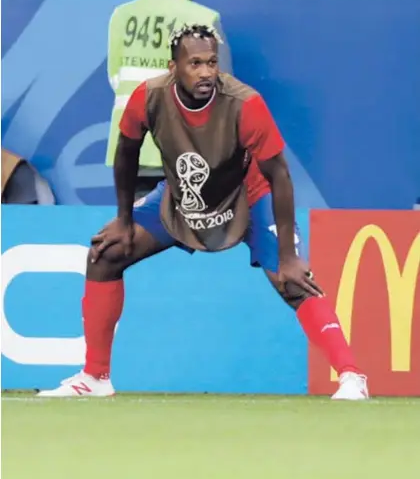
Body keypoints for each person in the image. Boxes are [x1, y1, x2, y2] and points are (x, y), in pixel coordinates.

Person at [38, 24, 368, 400]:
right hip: (183, 198)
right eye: (194, 63)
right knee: (104, 254)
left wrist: (289, 256)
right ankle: (95, 377)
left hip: (249, 195)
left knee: (293, 281)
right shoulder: (149, 97)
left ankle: (352, 377)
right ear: (173, 66)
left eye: (211, 62)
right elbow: (126, 152)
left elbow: (280, 174)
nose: (206, 72)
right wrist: (125, 221)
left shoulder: (245, 103)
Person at [106, 0, 232, 196]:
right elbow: (221, 88)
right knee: (189, 232)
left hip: (132, 145)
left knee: (135, 232)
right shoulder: (205, 18)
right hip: (185, 146)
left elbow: (115, 78)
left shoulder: (121, 15)